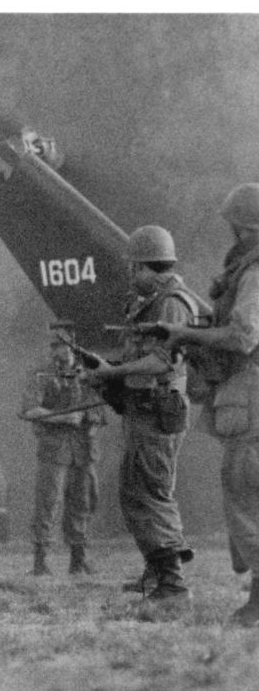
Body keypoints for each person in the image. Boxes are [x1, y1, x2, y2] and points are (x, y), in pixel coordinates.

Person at [157, 184, 259, 624]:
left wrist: (185, 335)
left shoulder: (254, 271)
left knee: (245, 492)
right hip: (246, 391)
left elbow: (243, 336)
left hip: (251, 392)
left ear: (241, 225)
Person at [85, 225, 200, 604]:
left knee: (150, 493)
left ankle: (172, 583)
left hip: (157, 410)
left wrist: (110, 373)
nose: (131, 276)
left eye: (134, 268)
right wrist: (109, 368)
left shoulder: (172, 304)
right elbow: (139, 357)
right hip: (144, 410)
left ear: (146, 267)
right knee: (139, 490)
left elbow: (159, 361)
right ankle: (157, 572)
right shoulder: (149, 303)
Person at [19, 334, 106, 576]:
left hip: (83, 447)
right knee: (48, 501)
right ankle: (40, 561)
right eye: (57, 346)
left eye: (68, 346)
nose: (63, 351)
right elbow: (29, 410)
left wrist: (92, 423)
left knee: (84, 500)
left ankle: (78, 560)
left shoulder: (88, 375)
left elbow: (99, 410)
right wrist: (63, 417)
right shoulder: (42, 375)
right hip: (54, 445)